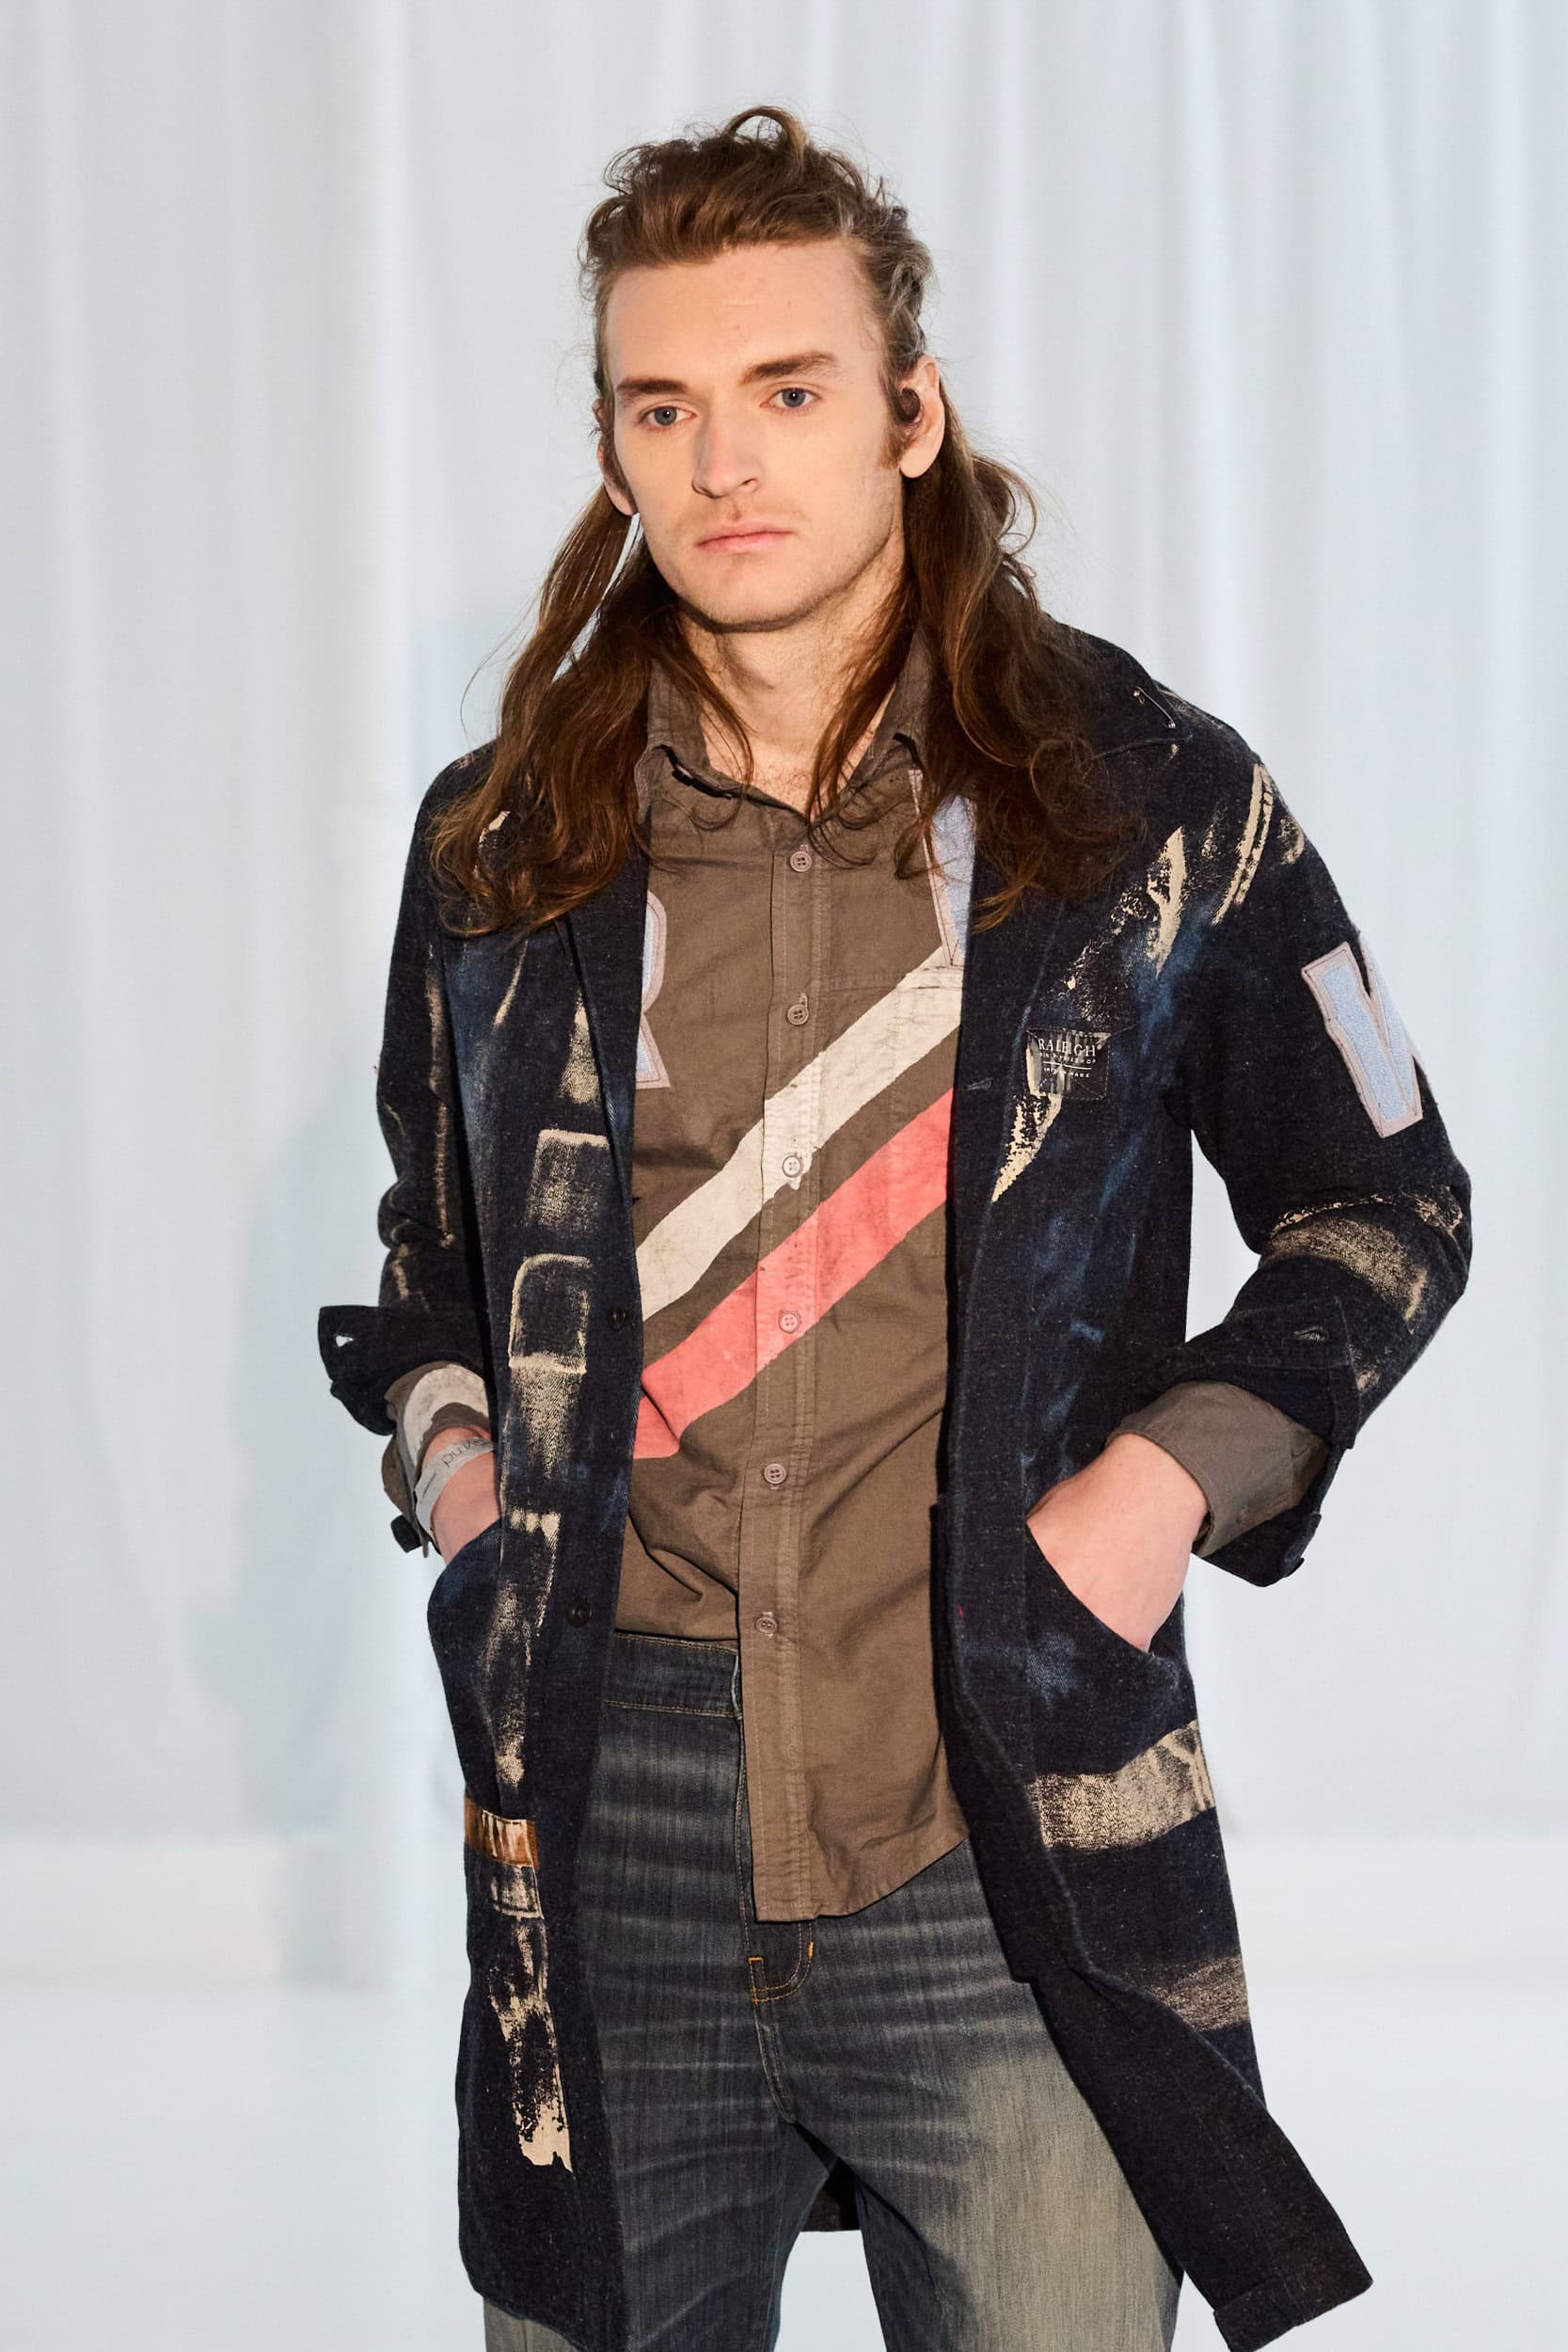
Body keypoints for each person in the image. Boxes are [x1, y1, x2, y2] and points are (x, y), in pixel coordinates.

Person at [318, 103, 1471, 2352]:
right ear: (613, 446)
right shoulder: (506, 844)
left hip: (1002, 1808)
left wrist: (1157, 1491)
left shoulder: (1145, 805)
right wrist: (465, 1491)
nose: (725, 459)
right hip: (612, 1825)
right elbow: (430, 1271)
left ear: (910, 415)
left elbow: (1387, 1199)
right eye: (665, 406)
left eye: (788, 387)